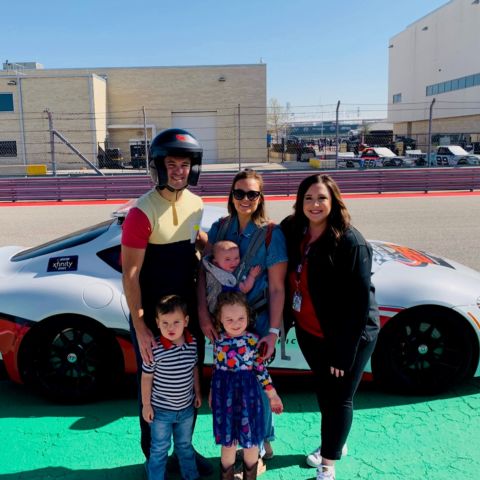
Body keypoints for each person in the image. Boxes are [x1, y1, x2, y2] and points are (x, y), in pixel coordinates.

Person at [121, 128, 213, 475]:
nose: (179, 171)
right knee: (154, 388)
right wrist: (142, 328)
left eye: (185, 164)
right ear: (158, 167)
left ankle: (184, 451)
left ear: (194, 167)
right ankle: (154, 457)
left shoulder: (197, 204)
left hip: (186, 316)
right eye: (171, 164)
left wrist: (210, 245)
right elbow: (130, 275)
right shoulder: (141, 212)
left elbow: (192, 242)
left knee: (189, 386)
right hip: (154, 321)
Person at [280, 174, 380, 480]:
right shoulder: (293, 229)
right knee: (325, 393)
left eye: (321, 198)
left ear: (334, 201)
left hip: (349, 336)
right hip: (311, 332)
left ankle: (328, 464)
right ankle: (336, 442)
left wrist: (342, 352)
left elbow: (359, 303)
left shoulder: (350, 241)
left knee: (339, 398)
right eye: (308, 198)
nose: (314, 204)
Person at [198, 169, 287, 464]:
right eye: (239, 193)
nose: (245, 199)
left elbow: (276, 287)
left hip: (257, 319)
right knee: (233, 385)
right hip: (224, 322)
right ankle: (251, 443)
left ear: (260, 198)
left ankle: (259, 448)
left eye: (252, 193)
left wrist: (272, 331)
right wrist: (203, 314)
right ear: (231, 196)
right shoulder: (219, 227)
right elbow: (205, 274)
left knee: (257, 383)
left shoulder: (272, 234)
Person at [211, 291, 283, 480]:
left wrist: (272, 395)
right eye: (229, 319)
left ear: (248, 316)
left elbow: (261, 370)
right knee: (228, 443)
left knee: (250, 441)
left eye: (241, 318)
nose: (236, 323)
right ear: (220, 319)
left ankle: (249, 476)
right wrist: (211, 392)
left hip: (248, 398)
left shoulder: (253, 341)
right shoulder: (218, 341)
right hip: (225, 399)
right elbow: (216, 369)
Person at [142, 295, 201, 480]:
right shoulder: (155, 349)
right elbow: (146, 377)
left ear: (186, 321)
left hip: (186, 410)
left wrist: (198, 392)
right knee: (159, 448)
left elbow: (194, 369)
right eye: (165, 323)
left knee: (185, 445)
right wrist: (146, 405)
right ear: (157, 323)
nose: (171, 328)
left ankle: (190, 475)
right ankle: (156, 476)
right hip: (161, 412)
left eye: (176, 322)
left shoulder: (192, 344)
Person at [202, 239, 262, 313]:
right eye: (227, 259)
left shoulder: (211, 269)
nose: (233, 262)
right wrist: (252, 276)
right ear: (215, 261)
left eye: (236, 258)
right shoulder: (226, 278)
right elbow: (244, 288)